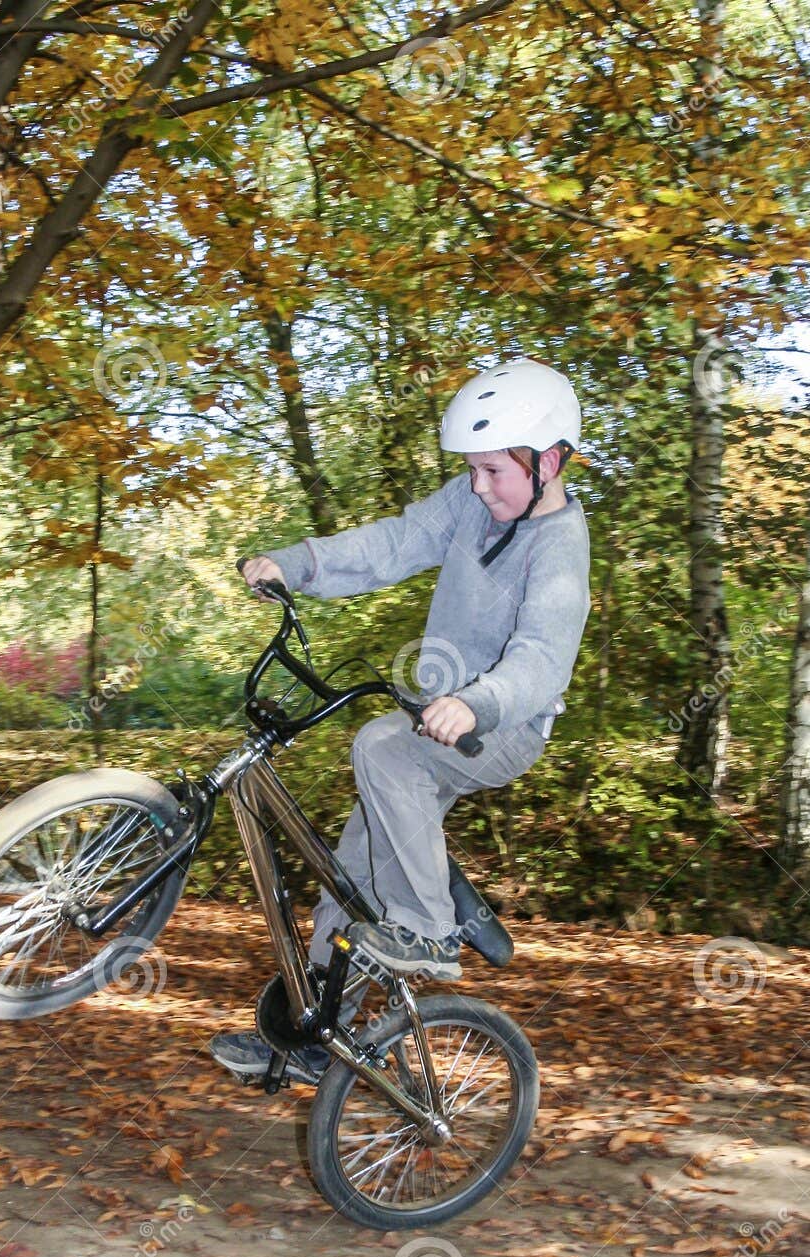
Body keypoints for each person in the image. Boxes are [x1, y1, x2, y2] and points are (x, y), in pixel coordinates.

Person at [210, 357, 591, 1087]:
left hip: (501, 728)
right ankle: (310, 1036)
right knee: (350, 875)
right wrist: (297, 563)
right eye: (471, 471)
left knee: (381, 746)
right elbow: (391, 544)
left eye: (491, 471)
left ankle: (427, 928)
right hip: (434, 726)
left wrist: (476, 702)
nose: (478, 487)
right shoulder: (471, 505)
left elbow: (541, 658)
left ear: (547, 461)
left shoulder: (559, 550)